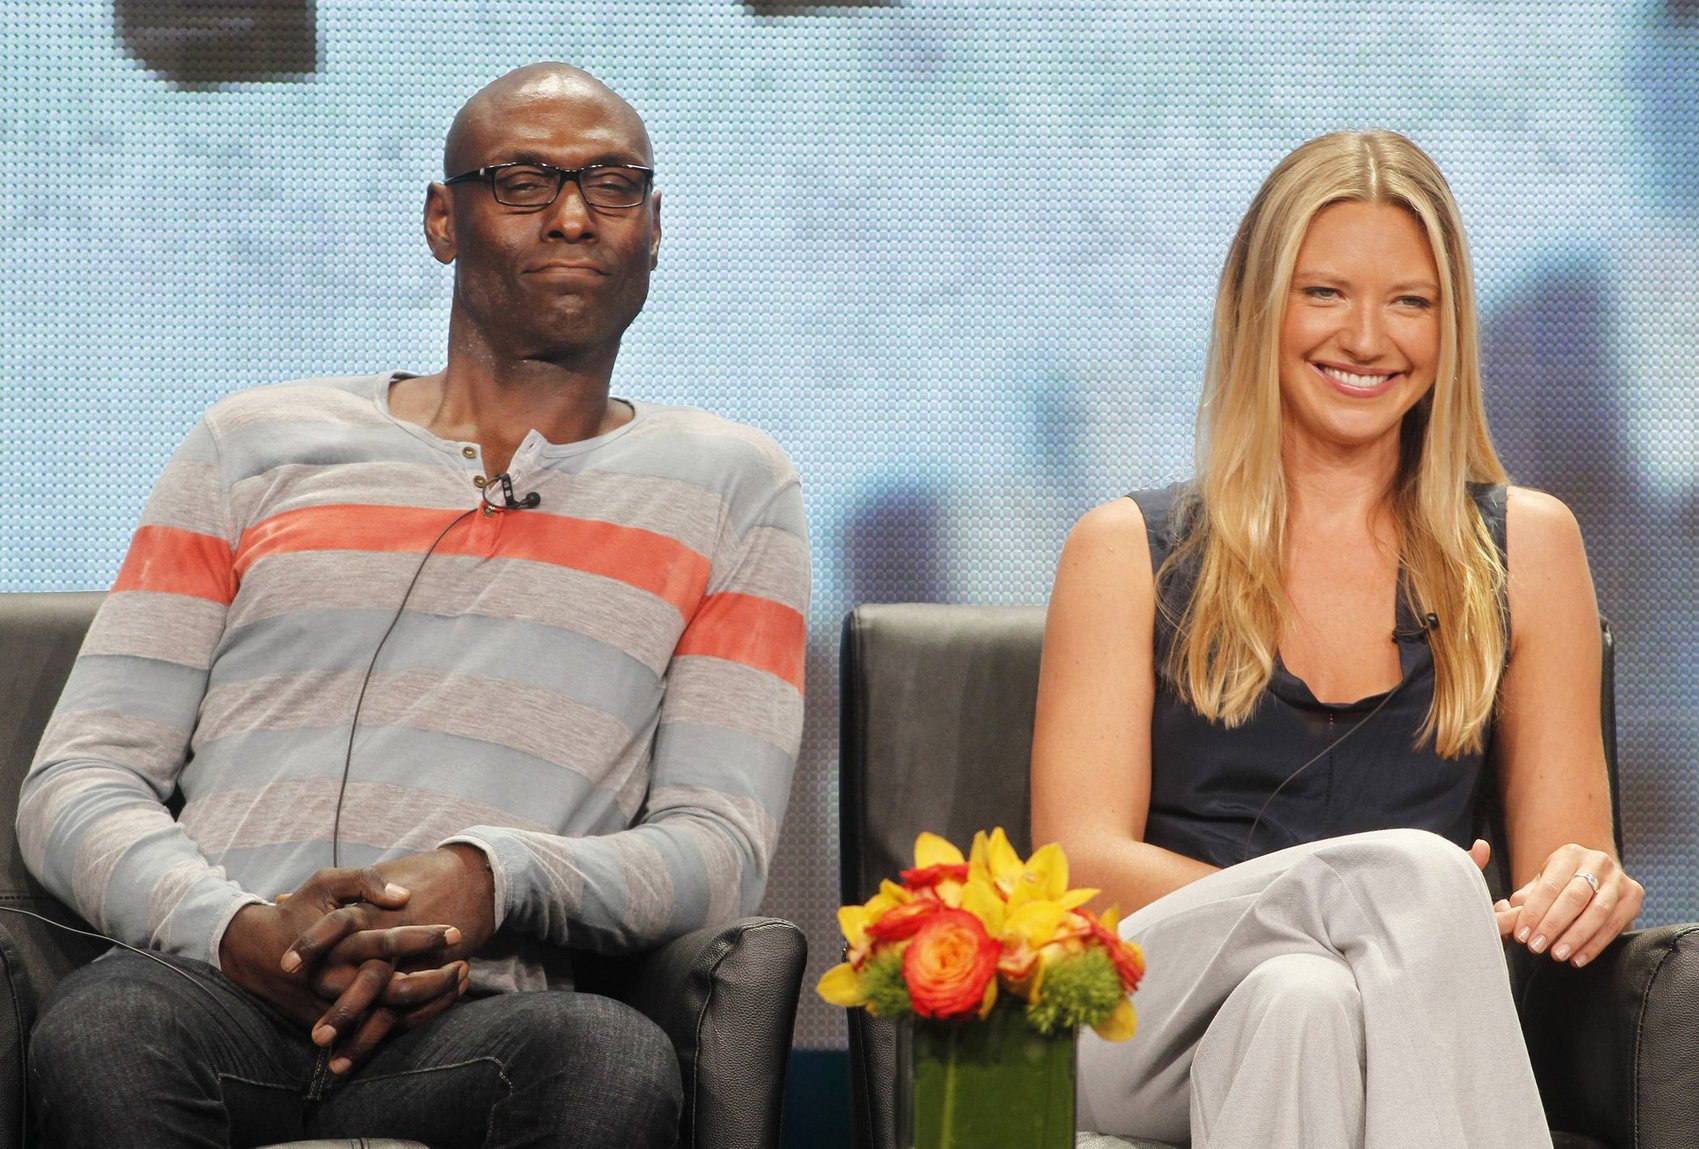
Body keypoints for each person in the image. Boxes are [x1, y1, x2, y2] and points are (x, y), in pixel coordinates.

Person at [19, 62, 808, 1149]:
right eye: (524, 180)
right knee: (104, 1029)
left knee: (609, 1062)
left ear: (655, 230)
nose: (574, 216)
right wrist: (240, 928)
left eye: (613, 185)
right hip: (215, 991)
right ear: (443, 220)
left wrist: (495, 877)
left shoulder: (732, 485)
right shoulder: (256, 443)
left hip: (478, 1020)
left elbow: (718, 847)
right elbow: (79, 782)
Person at [1031, 130, 1641, 1148]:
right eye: (1324, 294)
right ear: (1250, 309)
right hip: (1137, 1017)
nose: (1367, 337)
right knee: (1418, 879)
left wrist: (1582, 887)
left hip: (1358, 1012)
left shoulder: (1528, 546)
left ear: (1451, 330)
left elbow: (1559, 865)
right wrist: (1365, 893)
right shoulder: (1123, 548)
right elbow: (1080, 863)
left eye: (1409, 302)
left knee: (1302, 1000)